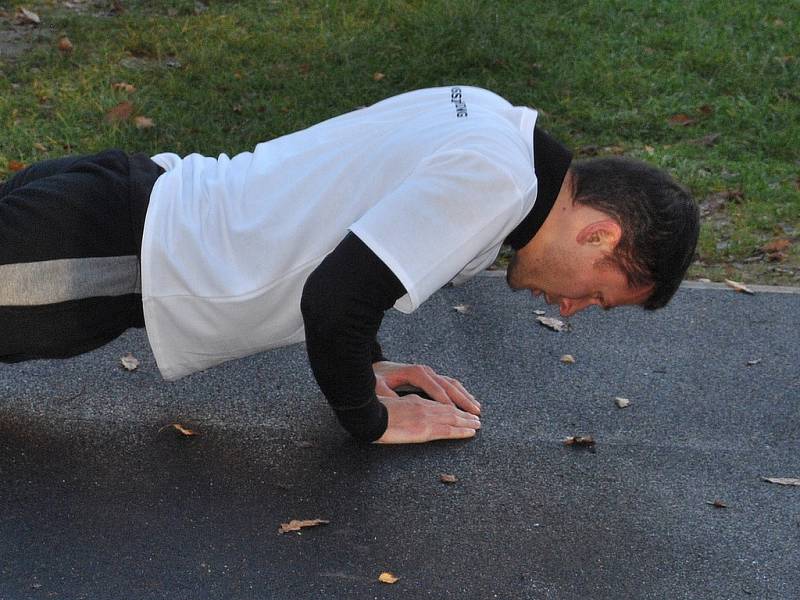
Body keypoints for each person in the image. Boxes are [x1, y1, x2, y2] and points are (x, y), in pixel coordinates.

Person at [0, 86, 699, 444]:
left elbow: (351, 223)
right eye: (601, 297)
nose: (572, 310)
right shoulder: (499, 183)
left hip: (123, 211)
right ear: (600, 237)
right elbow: (334, 298)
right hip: (114, 250)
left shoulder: (493, 124)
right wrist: (369, 419)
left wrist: (367, 361)